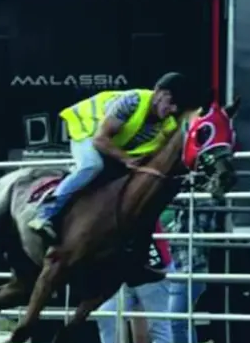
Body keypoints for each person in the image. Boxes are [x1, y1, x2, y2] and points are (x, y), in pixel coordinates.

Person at [28, 72, 198, 238]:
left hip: (116, 147)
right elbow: (100, 140)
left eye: (178, 107)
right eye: (171, 102)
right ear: (159, 92)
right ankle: (46, 212)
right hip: (89, 133)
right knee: (92, 166)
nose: (173, 109)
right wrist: (126, 159)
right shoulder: (133, 101)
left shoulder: (167, 126)